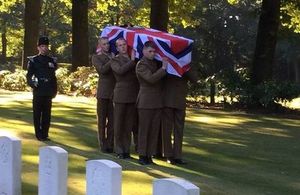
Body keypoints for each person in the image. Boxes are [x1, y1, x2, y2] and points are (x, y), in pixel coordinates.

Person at [136, 41, 167, 165]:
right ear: (143, 51)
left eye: (154, 52)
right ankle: (142, 155)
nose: (152, 54)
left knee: (154, 130)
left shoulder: (155, 63)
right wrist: (163, 68)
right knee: (144, 129)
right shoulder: (141, 64)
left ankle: (149, 155)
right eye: (150, 51)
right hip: (145, 101)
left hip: (157, 101)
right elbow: (151, 79)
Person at [110, 38, 139, 159]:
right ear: (117, 48)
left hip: (132, 95)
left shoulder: (134, 60)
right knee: (119, 124)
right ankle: (119, 150)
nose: (122, 47)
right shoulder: (115, 60)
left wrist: (133, 61)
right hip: (121, 95)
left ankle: (126, 150)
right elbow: (120, 71)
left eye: (124, 44)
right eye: (120, 45)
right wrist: (132, 61)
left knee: (128, 124)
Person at [162, 69, 197, 165]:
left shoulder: (186, 62)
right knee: (167, 129)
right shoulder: (167, 58)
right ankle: (168, 154)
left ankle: (178, 155)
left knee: (179, 129)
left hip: (180, 100)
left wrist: (185, 68)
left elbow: (195, 79)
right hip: (167, 99)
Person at [26, 36, 57, 141]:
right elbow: (29, 76)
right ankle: (38, 134)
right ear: (38, 47)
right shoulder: (33, 61)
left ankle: (45, 134)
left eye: (46, 46)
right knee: (37, 113)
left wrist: (54, 90)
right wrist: (33, 84)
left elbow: (53, 77)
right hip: (39, 90)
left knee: (47, 114)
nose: (44, 48)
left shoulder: (51, 61)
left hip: (48, 90)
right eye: (42, 46)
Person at [92, 37, 115, 153]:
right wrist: (111, 60)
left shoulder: (114, 56)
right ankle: (102, 144)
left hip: (113, 92)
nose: (107, 46)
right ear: (100, 46)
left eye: (108, 44)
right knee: (101, 120)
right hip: (103, 93)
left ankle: (110, 144)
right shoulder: (96, 57)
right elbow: (102, 70)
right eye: (104, 44)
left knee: (112, 121)